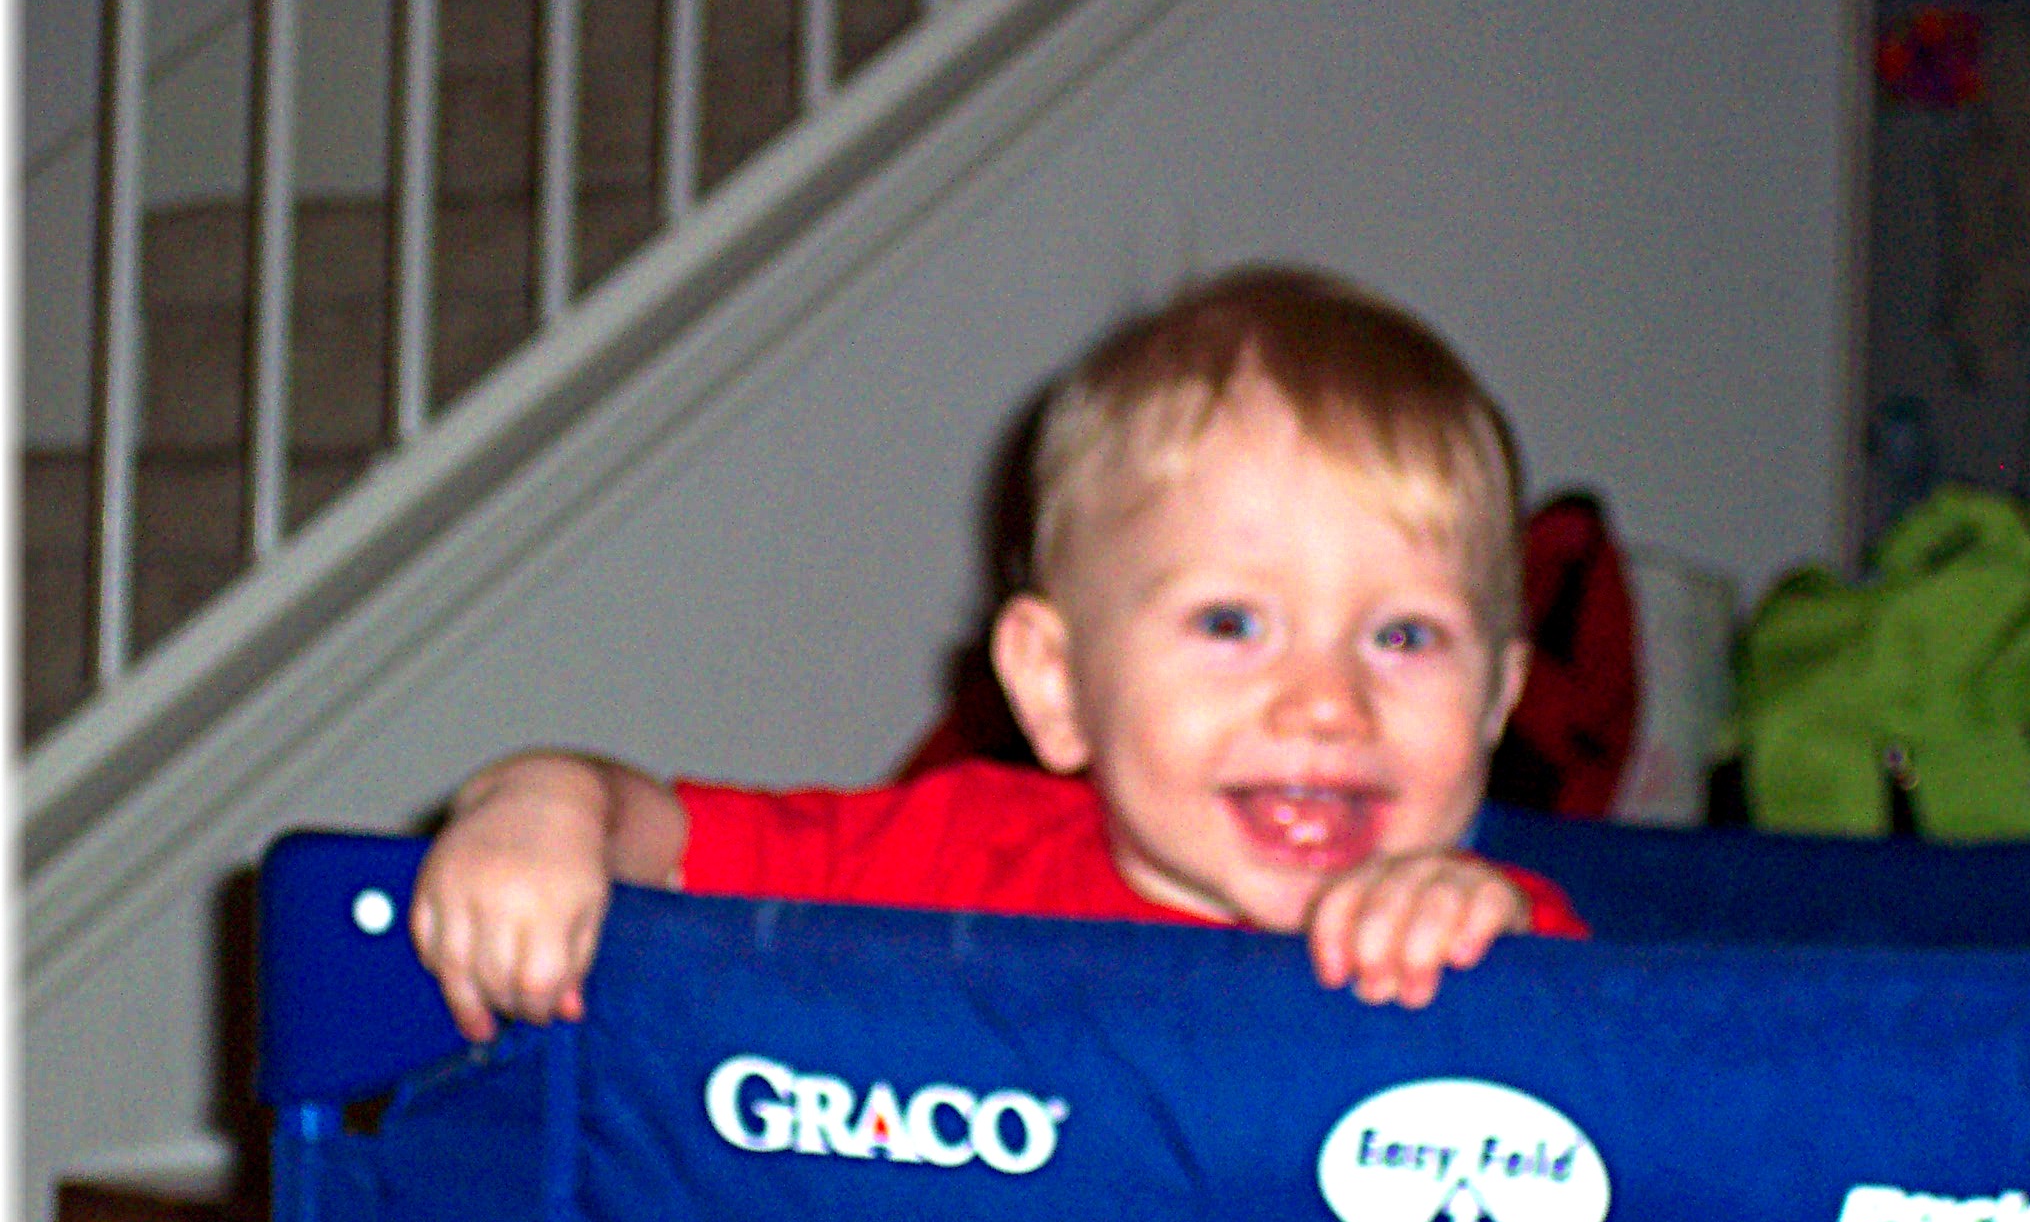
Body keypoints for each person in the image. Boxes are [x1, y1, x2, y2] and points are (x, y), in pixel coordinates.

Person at [412, 266, 1588, 1044]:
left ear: (1498, 697)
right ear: (1054, 686)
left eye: (1404, 637)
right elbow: (670, 845)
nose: (1328, 704)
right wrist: (545, 803)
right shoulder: (958, 859)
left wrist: (1489, 961)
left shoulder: (1491, 941)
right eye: (1232, 624)